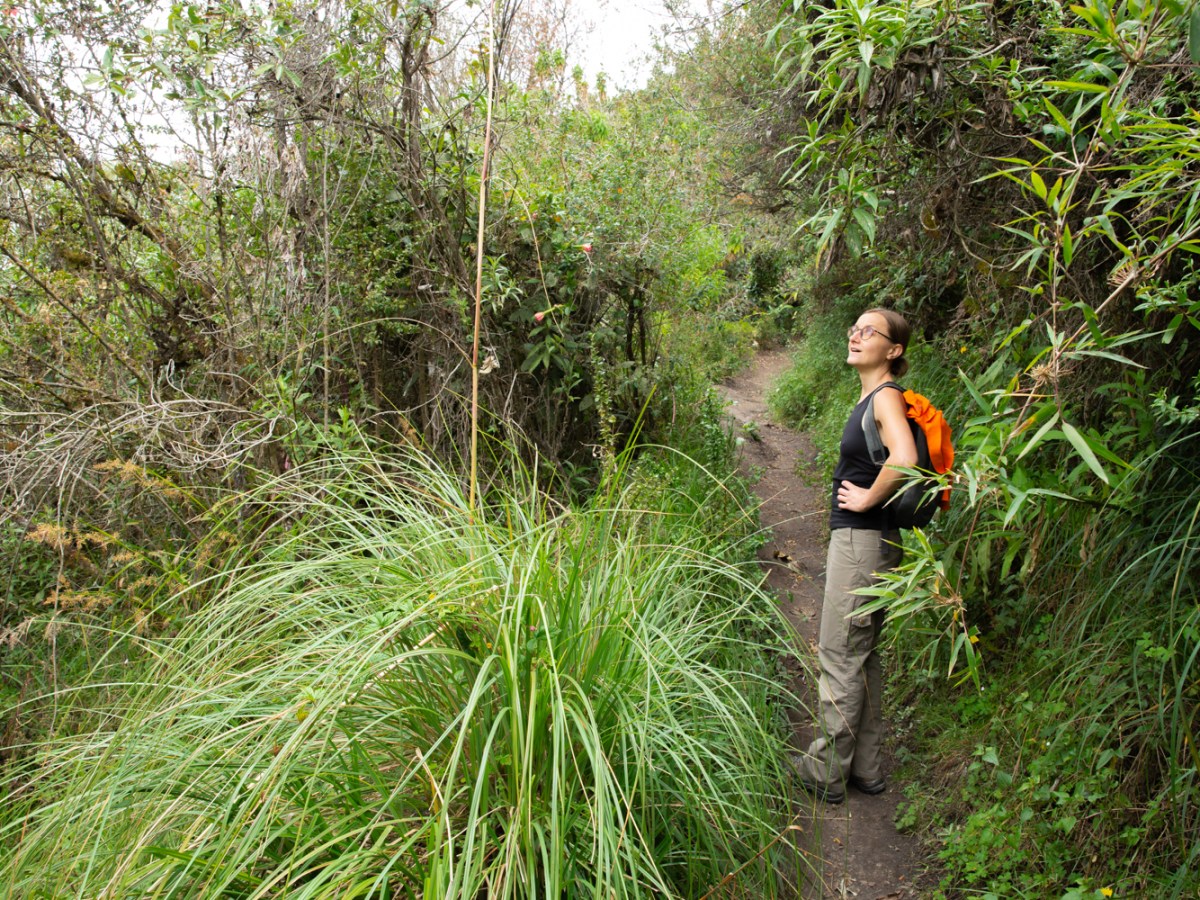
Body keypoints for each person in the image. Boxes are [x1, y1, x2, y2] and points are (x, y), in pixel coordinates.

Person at [794, 307, 917, 804]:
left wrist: (866, 499)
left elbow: (904, 458)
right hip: (875, 544)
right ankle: (864, 767)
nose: (856, 335)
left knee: (840, 653)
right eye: (855, 329)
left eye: (870, 331)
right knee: (862, 656)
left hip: (862, 541)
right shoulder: (874, 396)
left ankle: (824, 771)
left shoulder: (885, 396)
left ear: (894, 350)